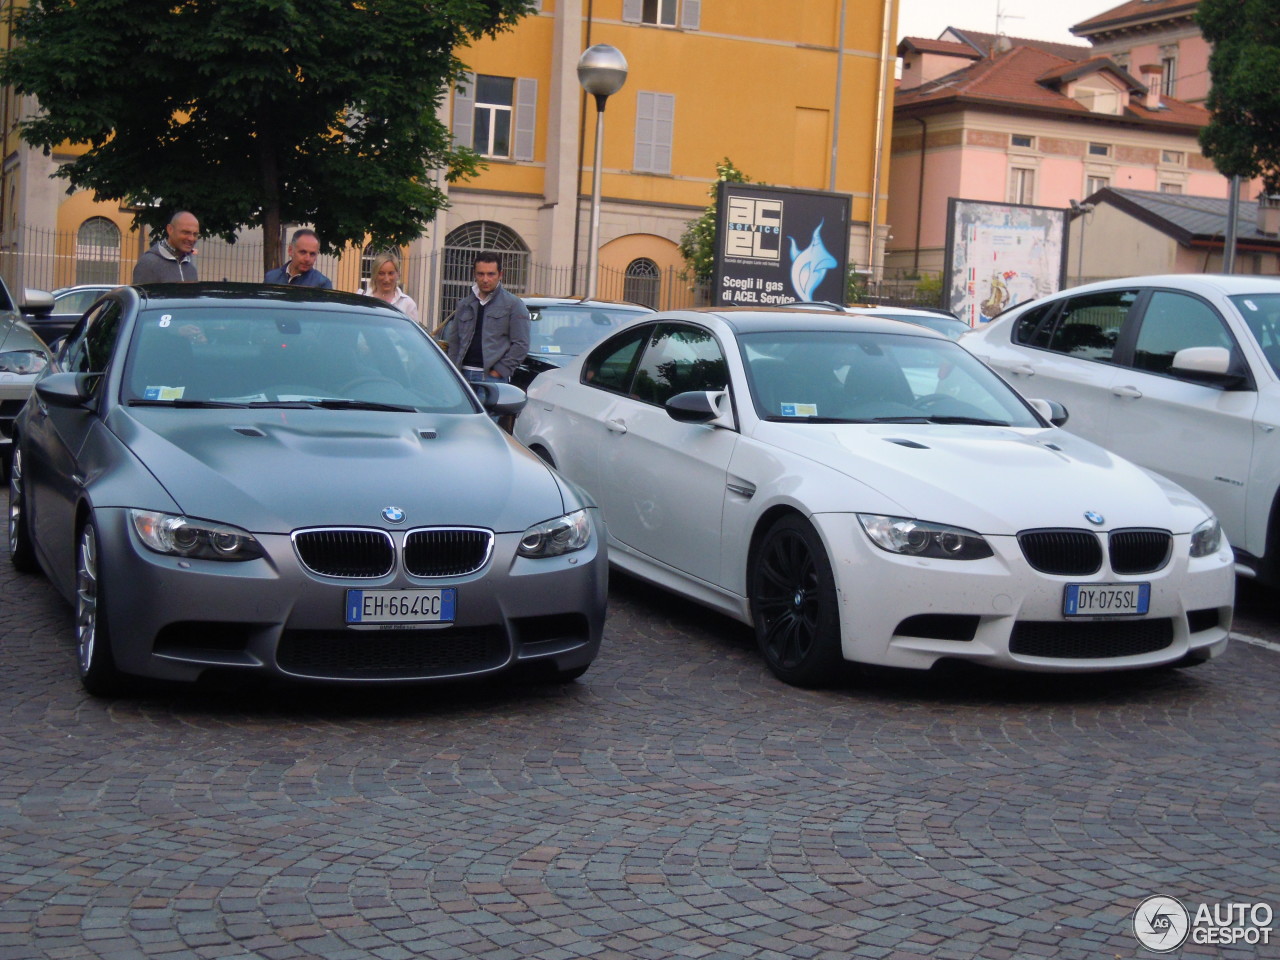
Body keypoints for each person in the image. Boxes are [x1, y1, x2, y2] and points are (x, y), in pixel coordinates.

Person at [444, 251, 529, 386]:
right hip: (462, 376)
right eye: (480, 274)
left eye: (491, 274)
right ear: (474, 274)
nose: (485, 279)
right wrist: (453, 369)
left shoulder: (514, 305)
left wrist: (500, 371)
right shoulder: (464, 304)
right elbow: (454, 342)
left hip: (492, 378)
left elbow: (521, 344)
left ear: (500, 275)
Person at [132, 211, 199, 283]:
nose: (191, 238)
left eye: (195, 234)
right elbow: (142, 293)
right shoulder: (148, 264)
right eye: (186, 232)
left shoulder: (191, 269)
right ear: (170, 229)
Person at [360, 251, 419, 325]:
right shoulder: (363, 300)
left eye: (391, 273)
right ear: (375, 275)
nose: (386, 279)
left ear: (398, 274)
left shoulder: (408, 304)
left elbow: (412, 334)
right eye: (381, 273)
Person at [264, 228, 333, 288]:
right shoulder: (271, 278)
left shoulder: (322, 284)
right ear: (290, 250)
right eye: (303, 252)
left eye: (312, 254)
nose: (307, 259)